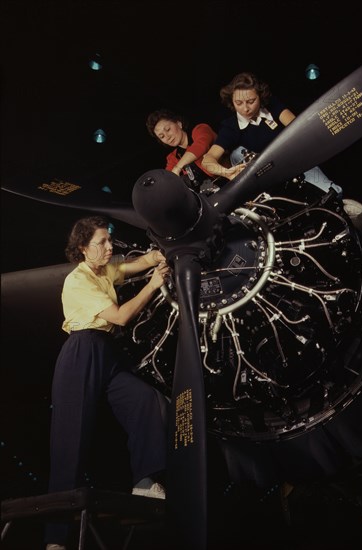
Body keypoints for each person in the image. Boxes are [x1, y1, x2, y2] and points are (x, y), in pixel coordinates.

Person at [45, 216, 170, 550]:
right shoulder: (78, 280)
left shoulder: (105, 271)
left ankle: (144, 482)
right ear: (84, 248)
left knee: (145, 400)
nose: (109, 247)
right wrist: (152, 284)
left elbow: (135, 264)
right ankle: (55, 540)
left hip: (106, 353)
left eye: (109, 241)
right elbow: (120, 316)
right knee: (69, 443)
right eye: (102, 242)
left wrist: (160, 255)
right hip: (81, 353)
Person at [202, 72, 362, 216]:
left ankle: (341, 210)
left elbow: (299, 128)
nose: (245, 108)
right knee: (237, 152)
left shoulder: (273, 107)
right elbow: (207, 160)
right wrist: (226, 172)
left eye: (251, 101)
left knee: (334, 193)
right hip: (264, 175)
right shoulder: (230, 127)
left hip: (292, 160)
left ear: (260, 97)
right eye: (239, 103)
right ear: (232, 101)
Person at [146, 108, 220, 193]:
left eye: (168, 129)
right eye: (162, 136)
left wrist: (178, 167)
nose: (167, 136)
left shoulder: (200, 129)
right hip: (209, 194)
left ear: (179, 124)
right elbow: (167, 178)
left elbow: (201, 146)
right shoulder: (173, 157)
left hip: (229, 178)